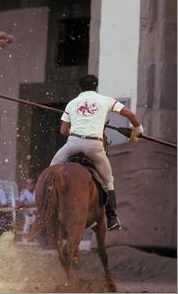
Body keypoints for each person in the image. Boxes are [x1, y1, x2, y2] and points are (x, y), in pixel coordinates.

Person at [50, 74, 144, 231]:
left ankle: (48, 208)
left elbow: (64, 130)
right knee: (109, 181)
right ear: (96, 87)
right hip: (94, 145)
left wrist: (77, 134)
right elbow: (131, 115)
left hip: (73, 143)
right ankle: (112, 218)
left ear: (80, 88)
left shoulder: (72, 103)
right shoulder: (105, 100)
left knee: (51, 170)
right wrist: (138, 130)